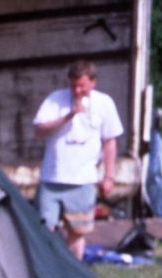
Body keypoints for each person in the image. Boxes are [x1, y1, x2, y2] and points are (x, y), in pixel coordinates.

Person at [33, 60, 123, 259]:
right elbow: (39, 130)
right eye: (73, 85)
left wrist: (109, 176)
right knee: (45, 229)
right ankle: (49, 270)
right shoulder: (55, 100)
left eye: (81, 85)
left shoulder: (104, 103)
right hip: (52, 178)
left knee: (77, 232)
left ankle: (74, 272)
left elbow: (110, 142)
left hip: (83, 180)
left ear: (93, 82)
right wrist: (68, 116)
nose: (77, 90)